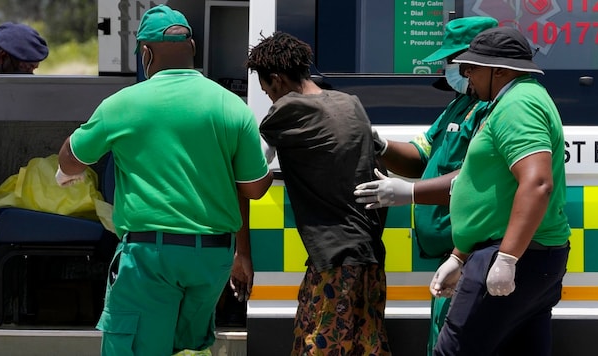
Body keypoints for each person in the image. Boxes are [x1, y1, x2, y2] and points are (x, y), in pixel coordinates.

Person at [55, 5, 272, 355]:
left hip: (151, 258)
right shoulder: (232, 107)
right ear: (193, 49)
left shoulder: (121, 105)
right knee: (186, 349)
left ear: (146, 52)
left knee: (137, 346)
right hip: (211, 259)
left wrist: (66, 168)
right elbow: (254, 188)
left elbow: (73, 158)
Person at [353, 16, 498, 355]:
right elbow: (421, 155)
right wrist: (381, 146)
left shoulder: (492, 110)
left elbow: (476, 180)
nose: (448, 71)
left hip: (473, 252)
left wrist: (410, 192)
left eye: (452, 62)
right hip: (451, 256)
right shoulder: (459, 105)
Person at [246, 31, 391, 355]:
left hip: (335, 260)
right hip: (369, 256)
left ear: (277, 79)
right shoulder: (349, 103)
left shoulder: (288, 111)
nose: (270, 99)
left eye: (267, 90)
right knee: (367, 346)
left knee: (318, 345)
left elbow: (253, 172)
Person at [427, 26, 570, 355]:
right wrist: (458, 256)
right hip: (527, 255)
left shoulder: (518, 105)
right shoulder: (514, 100)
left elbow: (536, 183)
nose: (465, 76)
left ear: (500, 70)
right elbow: (492, 189)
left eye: (471, 68)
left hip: (510, 254)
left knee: (453, 351)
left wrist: (506, 258)